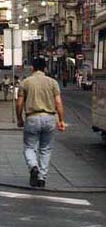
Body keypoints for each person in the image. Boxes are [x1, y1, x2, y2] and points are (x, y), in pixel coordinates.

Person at [16, 58, 66, 188]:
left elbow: (20, 103)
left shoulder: (25, 83)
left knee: (29, 147)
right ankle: (42, 177)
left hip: (32, 117)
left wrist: (19, 119)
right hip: (49, 118)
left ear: (32, 68)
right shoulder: (53, 82)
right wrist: (61, 120)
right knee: (45, 149)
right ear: (45, 68)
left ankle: (33, 166)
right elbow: (58, 103)